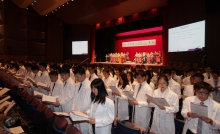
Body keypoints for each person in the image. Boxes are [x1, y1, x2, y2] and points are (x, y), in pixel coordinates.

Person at [71, 66, 91, 133]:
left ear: (83, 75)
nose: (76, 78)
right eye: (75, 77)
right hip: (76, 112)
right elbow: (74, 98)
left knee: (83, 131)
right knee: (76, 130)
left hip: (82, 114)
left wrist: (78, 113)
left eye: (77, 77)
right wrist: (73, 110)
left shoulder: (88, 86)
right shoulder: (79, 84)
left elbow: (86, 103)